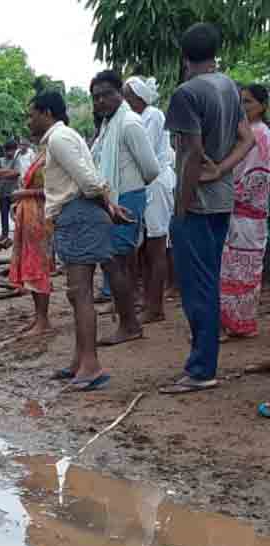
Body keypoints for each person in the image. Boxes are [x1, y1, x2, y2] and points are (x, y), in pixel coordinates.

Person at [162, 23, 245, 396]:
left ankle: (201, 369)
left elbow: (192, 153)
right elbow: (247, 140)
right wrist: (222, 169)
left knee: (198, 287)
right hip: (222, 199)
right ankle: (202, 362)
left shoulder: (186, 93)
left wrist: (182, 204)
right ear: (215, 52)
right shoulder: (228, 86)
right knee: (208, 280)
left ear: (184, 56)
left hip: (195, 204)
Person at [32, 90, 132, 391]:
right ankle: (80, 360)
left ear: (47, 113)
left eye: (31, 114)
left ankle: (91, 365)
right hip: (79, 214)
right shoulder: (65, 138)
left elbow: (88, 181)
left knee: (80, 291)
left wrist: (108, 206)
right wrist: (109, 207)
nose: (29, 121)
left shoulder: (60, 139)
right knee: (78, 294)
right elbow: (89, 177)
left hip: (78, 214)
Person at [90, 69, 160, 346]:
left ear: (121, 94)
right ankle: (127, 321)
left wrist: (129, 187)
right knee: (116, 263)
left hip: (127, 198)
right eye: (96, 97)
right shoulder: (108, 125)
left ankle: (129, 325)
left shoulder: (129, 123)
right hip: (114, 199)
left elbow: (152, 168)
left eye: (107, 94)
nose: (101, 101)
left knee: (119, 263)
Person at [211, 84, 270, 340]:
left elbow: (255, 178)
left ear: (262, 106)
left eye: (248, 102)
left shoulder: (260, 135)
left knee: (236, 271)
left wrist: (225, 193)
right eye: (241, 102)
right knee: (237, 270)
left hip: (245, 212)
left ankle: (230, 325)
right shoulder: (250, 133)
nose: (243, 107)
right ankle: (236, 323)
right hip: (243, 213)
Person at [122, 76, 177, 324]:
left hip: (155, 183)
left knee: (157, 246)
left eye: (128, 95)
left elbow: (148, 154)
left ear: (138, 97)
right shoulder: (134, 118)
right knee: (145, 249)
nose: (125, 100)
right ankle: (148, 302)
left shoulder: (153, 115)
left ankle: (155, 307)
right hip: (145, 185)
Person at [7, 139, 53, 337]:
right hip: (29, 215)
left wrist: (23, 193)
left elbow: (52, 190)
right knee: (30, 266)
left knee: (38, 267)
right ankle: (39, 317)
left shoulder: (51, 155)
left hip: (38, 217)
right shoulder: (41, 154)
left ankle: (43, 320)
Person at [0, 139, 25, 241]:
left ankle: (20, 234)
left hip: (14, 193)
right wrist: (8, 172)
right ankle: (4, 235)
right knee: (4, 215)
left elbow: (16, 173)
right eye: (8, 150)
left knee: (18, 214)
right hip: (1, 192)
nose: (10, 152)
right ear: (4, 150)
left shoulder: (17, 161)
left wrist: (2, 173)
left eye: (12, 150)